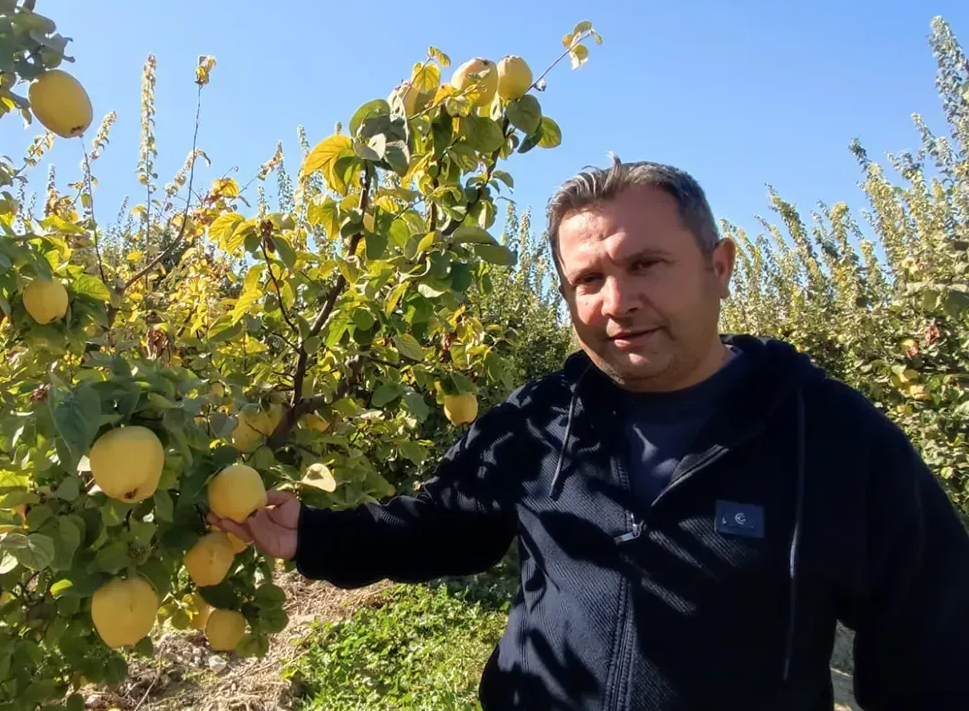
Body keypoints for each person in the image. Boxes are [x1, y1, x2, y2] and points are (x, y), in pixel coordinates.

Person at [211, 157, 969, 710]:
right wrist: (311, 536)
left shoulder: (832, 438)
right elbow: (446, 526)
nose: (618, 302)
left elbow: (932, 644)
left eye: (646, 265)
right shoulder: (540, 419)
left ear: (720, 266)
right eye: (589, 281)